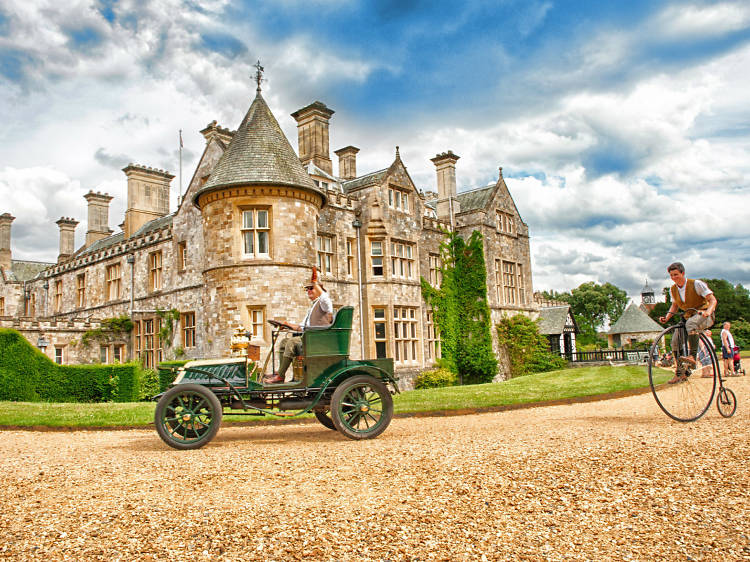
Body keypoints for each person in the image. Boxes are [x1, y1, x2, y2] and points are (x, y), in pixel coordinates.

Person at [263, 268, 333, 384]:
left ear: (319, 289)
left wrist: (315, 282)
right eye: (307, 289)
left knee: (292, 342)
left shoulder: (324, 304)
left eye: (311, 288)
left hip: (318, 341)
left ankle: (280, 376)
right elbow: (302, 327)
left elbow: (324, 297)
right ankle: (280, 373)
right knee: (284, 342)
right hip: (309, 338)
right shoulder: (313, 307)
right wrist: (286, 324)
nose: (309, 291)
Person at [658, 262, 717, 384]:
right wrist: (666, 318)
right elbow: (674, 306)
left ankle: (692, 356)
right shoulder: (673, 289)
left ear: (683, 273)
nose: (674, 277)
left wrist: (708, 311)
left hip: (704, 315)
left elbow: (712, 300)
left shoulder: (696, 284)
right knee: (675, 341)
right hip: (688, 316)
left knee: (690, 324)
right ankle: (680, 373)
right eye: (671, 275)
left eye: (676, 274)